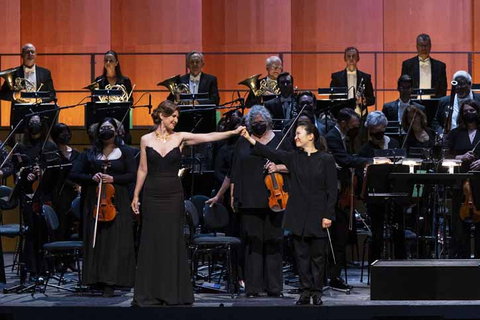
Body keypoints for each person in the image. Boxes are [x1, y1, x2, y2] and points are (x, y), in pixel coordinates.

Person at [131, 100, 244, 306]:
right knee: (151, 241)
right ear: (162, 116)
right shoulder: (145, 139)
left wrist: (232, 133)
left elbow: (208, 136)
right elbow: (142, 169)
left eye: (177, 117)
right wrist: (136, 195)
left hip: (173, 194)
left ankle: (173, 292)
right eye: (173, 116)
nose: (176, 120)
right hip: (152, 195)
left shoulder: (180, 137)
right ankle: (150, 292)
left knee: (172, 241)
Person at [241, 119, 337, 305]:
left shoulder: (326, 159)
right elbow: (271, 152)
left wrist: (328, 215)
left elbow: (332, 190)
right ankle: (305, 291)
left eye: (299, 133)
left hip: (318, 215)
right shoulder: (294, 157)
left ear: (311, 136)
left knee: (317, 257)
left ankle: (316, 292)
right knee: (301, 257)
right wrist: (249, 139)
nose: (295, 137)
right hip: (298, 214)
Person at [70, 117, 136, 297]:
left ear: (117, 131)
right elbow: (74, 173)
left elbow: (132, 175)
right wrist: (91, 177)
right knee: (96, 240)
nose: (105, 130)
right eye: (102, 127)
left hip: (117, 200)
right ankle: (95, 279)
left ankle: (112, 281)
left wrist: (114, 179)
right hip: (95, 200)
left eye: (109, 127)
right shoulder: (89, 154)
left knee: (115, 242)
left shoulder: (126, 152)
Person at [229, 105, 290, 298]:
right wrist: (233, 195)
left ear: (268, 122)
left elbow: (294, 165)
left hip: (276, 196)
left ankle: (274, 287)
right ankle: (253, 287)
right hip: (249, 198)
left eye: (261, 123)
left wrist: (278, 167)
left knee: (274, 242)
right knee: (252, 243)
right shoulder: (242, 142)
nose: (258, 126)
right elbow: (235, 171)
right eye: (254, 123)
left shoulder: (281, 140)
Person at [325, 107, 371, 290]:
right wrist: (370, 161)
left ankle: (335, 276)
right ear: (343, 123)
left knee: (342, 238)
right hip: (335, 195)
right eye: (354, 125)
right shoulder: (332, 138)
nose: (356, 128)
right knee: (338, 237)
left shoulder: (345, 138)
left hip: (343, 193)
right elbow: (344, 160)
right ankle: (333, 277)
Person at [14, 114, 58, 278]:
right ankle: (31, 267)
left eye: (37, 122)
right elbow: (15, 168)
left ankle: (46, 267)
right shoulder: (21, 147)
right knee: (31, 231)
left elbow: (55, 171)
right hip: (28, 193)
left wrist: (43, 172)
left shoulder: (50, 145)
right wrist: (26, 173)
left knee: (45, 230)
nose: (35, 124)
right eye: (32, 122)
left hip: (44, 193)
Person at [358, 111, 405, 262]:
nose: (378, 134)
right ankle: (375, 266)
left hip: (395, 194)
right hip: (375, 195)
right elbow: (361, 172)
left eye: (380, 130)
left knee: (398, 231)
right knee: (377, 234)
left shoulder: (394, 144)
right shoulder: (365, 149)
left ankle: (400, 264)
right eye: (374, 131)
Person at [446, 99, 480, 258]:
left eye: (472, 111)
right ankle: (462, 260)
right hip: (460, 184)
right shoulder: (455, 133)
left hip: (479, 183)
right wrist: (461, 157)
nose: (469, 114)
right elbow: (445, 157)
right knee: (459, 226)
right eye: (466, 111)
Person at [0, 43, 56, 128]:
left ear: (36, 55)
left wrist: (40, 99)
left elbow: (52, 94)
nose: (30, 54)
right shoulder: (14, 73)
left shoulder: (45, 73)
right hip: (19, 113)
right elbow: (2, 94)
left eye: (32, 52)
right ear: (22, 55)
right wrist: (15, 95)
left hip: (40, 113)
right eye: (27, 52)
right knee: (19, 139)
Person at [51, 123, 79, 242]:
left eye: (67, 132)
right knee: (61, 226)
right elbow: (55, 177)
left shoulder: (76, 153)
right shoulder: (52, 153)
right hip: (59, 194)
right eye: (62, 133)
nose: (66, 135)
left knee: (73, 224)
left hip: (75, 193)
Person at [330, 47, 375, 118]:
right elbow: (332, 98)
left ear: (358, 59)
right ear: (345, 58)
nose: (351, 58)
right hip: (342, 115)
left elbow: (372, 99)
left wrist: (364, 100)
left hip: (360, 115)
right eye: (348, 56)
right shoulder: (336, 77)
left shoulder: (366, 77)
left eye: (353, 56)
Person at [401, 34, 447, 98]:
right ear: (416, 47)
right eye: (421, 45)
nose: (423, 48)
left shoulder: (440, 66)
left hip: (434, 104)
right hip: (413, 104)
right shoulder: (407, 65)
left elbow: (443, 89)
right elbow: (403, 87)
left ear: (430, 46)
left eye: (426, 45)